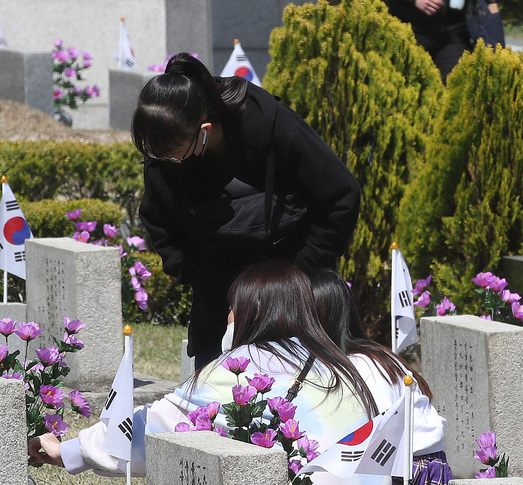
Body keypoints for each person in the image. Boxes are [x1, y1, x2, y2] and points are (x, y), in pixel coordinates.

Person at [28, 263, 401, 485]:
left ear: (250, 313)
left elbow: (147, 429)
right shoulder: (342, 365)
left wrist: (67, 450)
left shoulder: (237, 366)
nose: (227, 318)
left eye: (231, 309)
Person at [132, 53, 360, 371]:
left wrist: (297, 278)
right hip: (217, 298)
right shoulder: (166, 149)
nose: (161, 159)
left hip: (294, 285)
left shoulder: (276, 127)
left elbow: (341, 196)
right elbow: (158, 220)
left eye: (170, 152)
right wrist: (198, 276)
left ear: (204, 130)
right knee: (217, 406)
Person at [306, 269, 450, 485]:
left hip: (410, 480)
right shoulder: (367, 356)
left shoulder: (360, 365)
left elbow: (380, 436)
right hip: (420, 470)